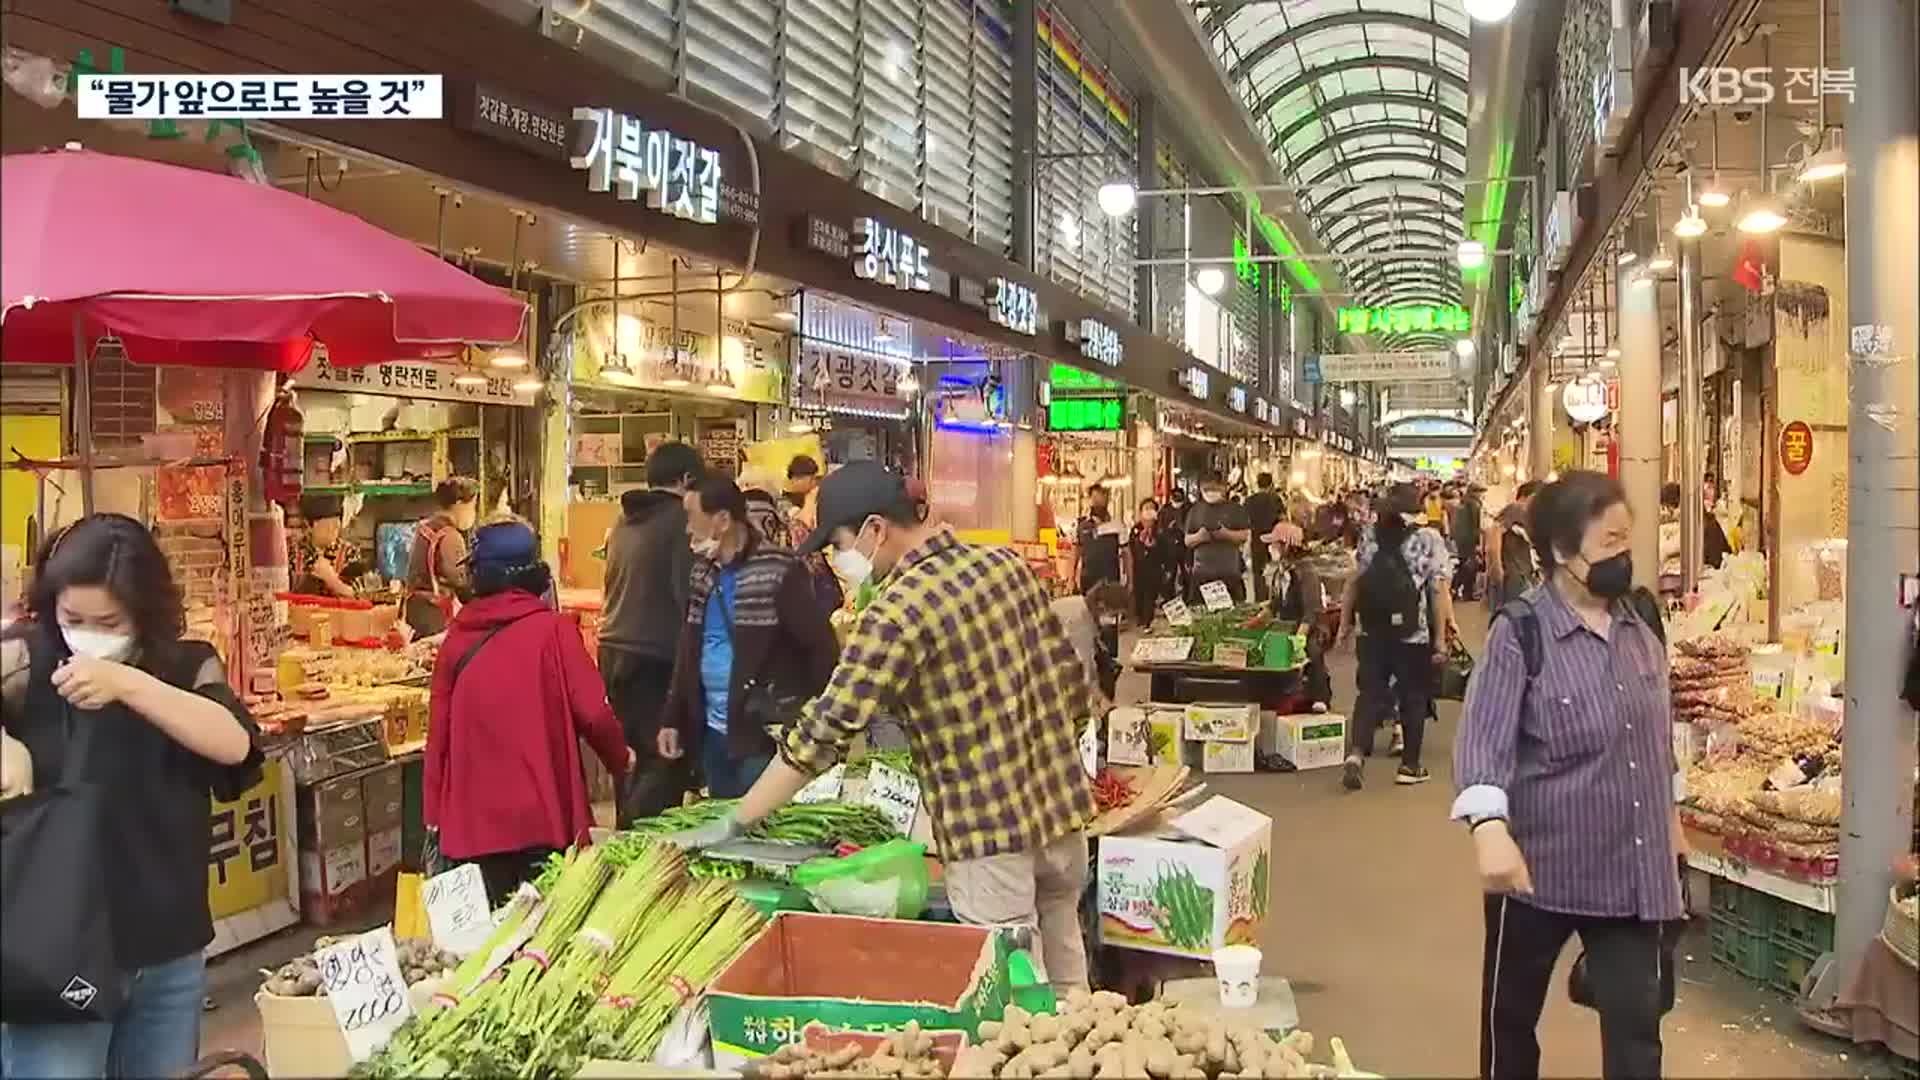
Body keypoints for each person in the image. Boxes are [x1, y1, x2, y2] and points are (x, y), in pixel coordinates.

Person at [665, 463, 1096, 993]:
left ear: (875, 530)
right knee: (1068, 976)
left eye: (839, 544)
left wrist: (741, 816)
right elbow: (1070, 681)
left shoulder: (896, 609)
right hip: (1061, 818)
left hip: (990, 837)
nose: (837, 560)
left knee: (1014, 994)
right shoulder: (1004, 566)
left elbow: (826, 728)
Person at [0, 514, 260, 1079]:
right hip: (53, 948)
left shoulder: (185, 665)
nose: (88, 632)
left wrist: (130, 684)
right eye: (73, 618)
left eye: (108, 622)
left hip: (166, 946)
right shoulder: (23, 660)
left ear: (143, 614)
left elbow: (234, 743)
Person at [1452, 470, 1684, 1080]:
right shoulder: (1521, 633)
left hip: (1631, 870)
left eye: (1627, 541)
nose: (1623, 556)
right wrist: (1488, 828)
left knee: (1638, 1030)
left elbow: (1657, 738)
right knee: (1510, 1020)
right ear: (1560, 551)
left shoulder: (1641, 624)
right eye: (1608, 543)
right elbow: (1484, 739)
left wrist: (1672, 821)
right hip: (1537, 869)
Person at [424, 520, 631, 905]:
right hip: (544, 818)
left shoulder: (456, 640)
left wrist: (434, 815)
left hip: (474, 827)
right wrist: (622, 760)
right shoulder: (553, 632)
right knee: (546, 937)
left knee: (489, 943)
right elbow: (594, 713)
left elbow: (438, 736)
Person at [655, 479, 839, 798]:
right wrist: (672, 717)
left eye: (692, 516)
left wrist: (804, 717)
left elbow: (821, 648)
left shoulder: (779, 570)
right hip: (713, 733)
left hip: (761, 734)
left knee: (760, 829)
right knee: (724, 826)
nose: (687, 528)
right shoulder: (702, 572)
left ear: (723, 520)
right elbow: (688, 649)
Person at [600, 441, 705, 822]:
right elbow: (689, 597)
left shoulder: (624, 520)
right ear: (687, 479)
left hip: (613, 650)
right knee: (664, 756)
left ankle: (628, 831)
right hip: (655, 656)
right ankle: (642, 848)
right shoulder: (680, 522)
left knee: (631, 758)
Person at [1336, 482, 1457, 788]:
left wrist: (1344, 626)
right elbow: (1438, 591)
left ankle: (1356, 754)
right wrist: (1441, 639)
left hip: (1371, 630)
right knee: (1412, 697)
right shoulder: (1430, 539)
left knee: (1369, 694)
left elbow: (1354, 582)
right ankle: (1410, 766)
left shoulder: (1369, 536)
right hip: (1411, 635)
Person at [1263, 522, 1331, 709]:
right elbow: (1274, 604)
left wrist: (1300, 636)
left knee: (1311, 652)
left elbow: (1312, 609)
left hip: (1311, 627)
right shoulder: (1280, 571)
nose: (1271, 548)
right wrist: (1255, 622)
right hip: (1288, 625)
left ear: (1286, 546)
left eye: (1275, 544)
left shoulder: (1306, 572)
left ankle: (1320, 697)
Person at [403, 476, 478, 637]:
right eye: (472, 507)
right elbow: (460, 582)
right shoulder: (450, 536)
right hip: (434, 615)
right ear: (459, 505)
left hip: (413, 608)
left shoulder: (424, 528)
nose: (474, 513)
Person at [1184, 474, 1252, 605]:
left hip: (1229, 572)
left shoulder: (1236, 509)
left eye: (1214, 488)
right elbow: (1187, 541)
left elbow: (1244, 535)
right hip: (1201, 573)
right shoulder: (1195, 510)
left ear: (1223, 487)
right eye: (1206, 489)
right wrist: (1199, 537)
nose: (1210, 492)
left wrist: (1226, 534)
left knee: (1231, 613)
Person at [291, 493, 364, 599]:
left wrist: (332, 580)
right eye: (327, 525)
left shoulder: (349, 552)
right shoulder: (293, 551)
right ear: (308, 526)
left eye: (336, 523)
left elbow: (360, 596)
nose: (334, 529)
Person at [1489, 481, 1542, 608]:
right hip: (1514, 574)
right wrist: (1496, 566)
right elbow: (1495, 533)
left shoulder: (1525, 514)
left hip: (1522, 573)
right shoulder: (1516, 509)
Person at [1074, 485, 1123, 595]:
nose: (1098, 501)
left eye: (1101, 497)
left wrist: (1130, 581)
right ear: (1090, 500)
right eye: (1095, 498)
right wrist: (1070, 578)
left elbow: (1126, 553)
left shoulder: (1117, 525)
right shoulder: (1082, 525)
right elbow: (1076, 551)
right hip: (1088, 579)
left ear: (1107, 500)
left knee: (1111, 610)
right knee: (1088, 610)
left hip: (1111, 579)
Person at [1127, 498, 1165, 627]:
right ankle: (1140, 620)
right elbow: (1131, 548)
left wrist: (1154, 544)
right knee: (1139, 595)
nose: (1149, 512)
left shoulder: (1161, 528)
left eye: (1151, 508)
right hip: (1138, 568)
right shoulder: (1136, 529)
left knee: (1150, 596)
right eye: (1146, 508)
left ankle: (1147, 622)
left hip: (1155, 568)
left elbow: (1166, 549)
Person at [1244, 473, 1282, 603]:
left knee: (1258, 574)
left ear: (1257, 484)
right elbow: (1282, 520)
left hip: (1256, 542)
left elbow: (1245, 523)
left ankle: (1260, 602)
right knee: (1275, 572)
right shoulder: (1276, 500)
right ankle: (1274, 602)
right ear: (1271, 484)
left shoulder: (1249, 501)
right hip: (1274, 541)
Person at [1453, 484, 1486, 600]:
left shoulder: (1463, 503)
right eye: (1481, 492)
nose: (1482, 495)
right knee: (1470, 567)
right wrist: (1477, 543)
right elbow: (1476, 525)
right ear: (1475, 492)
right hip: (1469, 540)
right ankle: (1464, 591)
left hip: (1461, 539)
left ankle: (1456, 589)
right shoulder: (1474, 505)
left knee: (1464, 565)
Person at [1160, 488, 1192, 602]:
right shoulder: (1165, 510)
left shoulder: (1189, 509)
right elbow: (1160, 530)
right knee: (1169, 575)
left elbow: (1191, 528)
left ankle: (1188, 598)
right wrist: (1168, 528)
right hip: (1170, 548)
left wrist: (1181, 526)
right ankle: (1169, 599)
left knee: (1187, 574)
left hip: (1186, 547)